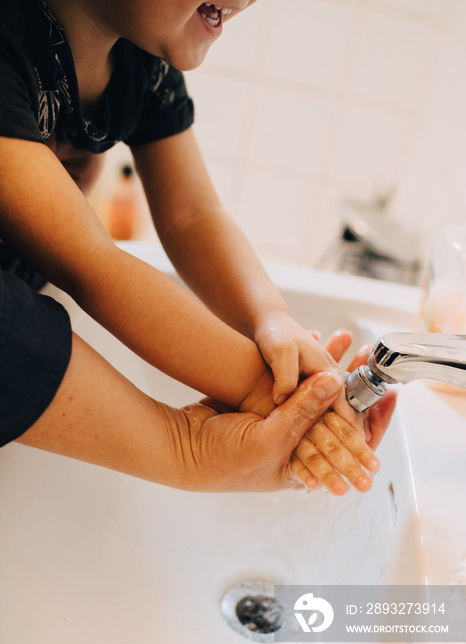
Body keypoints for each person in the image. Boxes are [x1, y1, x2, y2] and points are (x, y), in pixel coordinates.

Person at [0, 0, 395, 494]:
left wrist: (271, 319)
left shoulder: (140, 61)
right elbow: (91, 264)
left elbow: (192, 216)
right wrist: (271, 391)